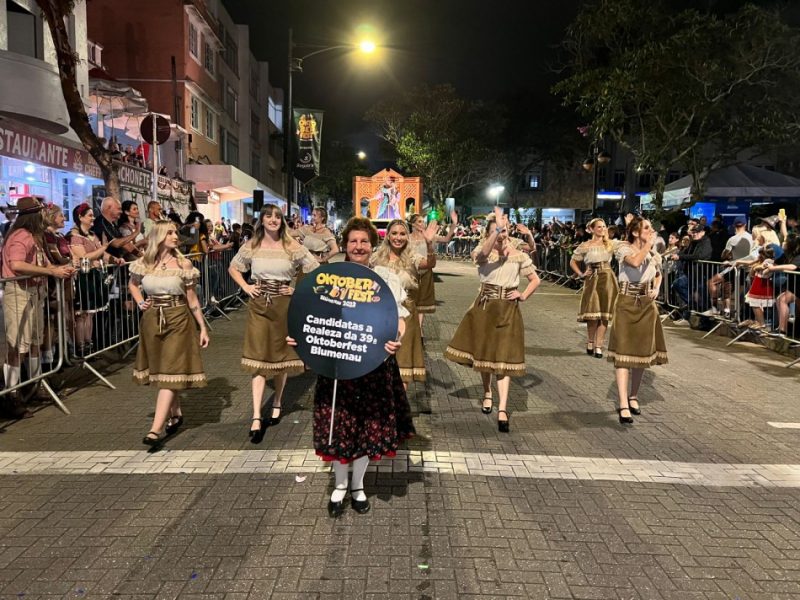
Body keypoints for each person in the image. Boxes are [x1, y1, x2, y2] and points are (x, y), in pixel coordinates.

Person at [287, 217, 414, 517]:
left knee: (366, 428)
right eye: (353, 241)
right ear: (344, 244)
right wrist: (300, 338)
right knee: (338, 428)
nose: (359, 246)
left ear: (372, 245)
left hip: (374, 365)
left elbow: (399, 319)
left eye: (364, 242)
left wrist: (396, 339)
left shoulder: (385, 278)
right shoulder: (328, 277)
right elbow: (310, 314)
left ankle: (358, 486)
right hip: (337, 368)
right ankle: (340, 485)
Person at [227, 204, 319, 443]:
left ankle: (277, 401)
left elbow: (314, 269)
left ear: (282, 221)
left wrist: (296, 289)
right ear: (262, 220)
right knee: (258, 359)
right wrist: (246, 287)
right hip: (259, 305)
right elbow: (234, 268)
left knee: (280, 357)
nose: (273, 220)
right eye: (268, 216)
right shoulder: (253, 245)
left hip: (284, 305)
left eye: (277, 216)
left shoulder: (291, 245)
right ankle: (256, 416)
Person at [444, 207, 541, 432]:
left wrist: (523, 295)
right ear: (488, 233)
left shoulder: (518, 255)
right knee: (486, 356)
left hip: (508, 309)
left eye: (504, 230)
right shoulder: (482, 250)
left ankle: (503, 408)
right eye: (497, 230)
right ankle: (487, 392)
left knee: (503, 359)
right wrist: (495, 232)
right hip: (485, 307)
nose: (501, 233)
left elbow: (535, 279)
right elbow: (481, 257)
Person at [128, 221, 209, 446]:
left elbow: (192, 299)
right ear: (159, 236)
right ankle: (176, 413)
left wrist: (202, 327)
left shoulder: (184, 263)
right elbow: (133, 284)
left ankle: (155, 429)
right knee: (163, 371)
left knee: (171, 368)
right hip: (152, 319)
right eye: (170, 233)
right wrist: (141, 302)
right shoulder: (144, 262)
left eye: (176, 232)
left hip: (178, 318)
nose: (175, 236)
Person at [1, 197, 74, 418]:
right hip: (19, 292)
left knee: (34, 341)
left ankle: (35, 384)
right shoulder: (20, 236)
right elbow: (17, 264)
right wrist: (51, 272)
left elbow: (43, 262)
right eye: (41, 212)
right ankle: (11, 393)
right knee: (18, 345)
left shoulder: (35, 236)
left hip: (34, 291)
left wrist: (59, 269)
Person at [607, 217, 668, 425]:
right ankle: (623, 403)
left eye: (651, 228)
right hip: (626, 302)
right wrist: (648, 245)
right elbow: (634, 262)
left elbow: (658, 274)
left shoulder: (652, 253)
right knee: (623, 353)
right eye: (647, 228)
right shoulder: (623, 248)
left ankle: (633, 396)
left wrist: (656, 287)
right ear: (635, 232)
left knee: (641, 353)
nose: (651, 231)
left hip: (646, 304)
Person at [371, 219, 436, 386]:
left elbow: (429, 264)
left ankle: (398, 401)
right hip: (381, 314)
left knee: (403, 361)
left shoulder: (412, 256)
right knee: (380, 359)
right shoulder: (376, 257)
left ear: (407, 236)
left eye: (402, 234)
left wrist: (429, 244)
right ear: (387, 235)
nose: (398, 237)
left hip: (406, 313)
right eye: (394, 233)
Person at [569, 218, 620, 358]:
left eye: (604, 226)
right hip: (592, 278)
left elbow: (627, 246)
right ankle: (590, 341)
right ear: (591, 229)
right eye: (599, 227)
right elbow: (573, 261)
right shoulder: (585, 245)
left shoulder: (610, 244)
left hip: (607, 277)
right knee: (593, 313)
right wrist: (581, 274)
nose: (602, 229)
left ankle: (599, 345)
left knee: (604, 314)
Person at [67, 203, 112, 355]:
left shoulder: (92, 235)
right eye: (90, 215)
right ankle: (81, 347)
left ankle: (89, 345)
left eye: (93, 215)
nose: (93, 218)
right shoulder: (75, 236)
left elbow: (101, 254)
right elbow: (84, 257)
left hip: (94, 276)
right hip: (83, 278)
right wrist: (103, 248)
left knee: (91, 313)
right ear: (80, 217)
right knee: (82, 314)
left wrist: (114, 259)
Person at [407, 211, 457, 336]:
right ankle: (409, 327)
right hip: (411, 273)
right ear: (413, 224)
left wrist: (454, 224)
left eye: (423, 221)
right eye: (419, 221)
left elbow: (446, 239)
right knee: (410, 300)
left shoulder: (430, 237)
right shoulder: (407, 238)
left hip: (426, 273)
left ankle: (419, 329)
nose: (422, 224)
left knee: (422, 301)